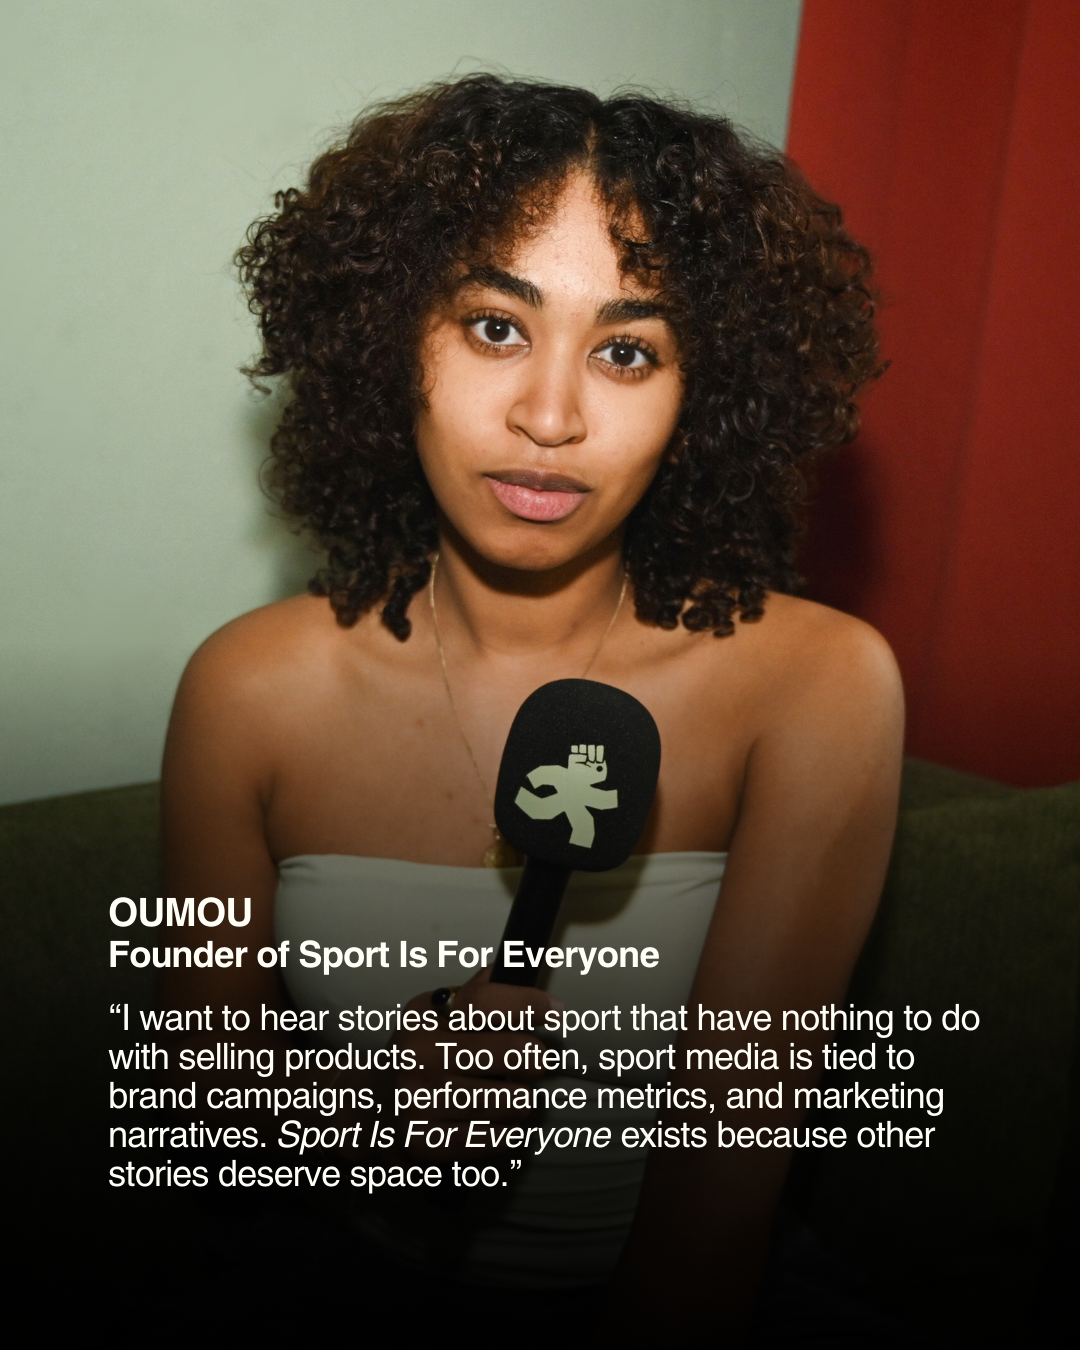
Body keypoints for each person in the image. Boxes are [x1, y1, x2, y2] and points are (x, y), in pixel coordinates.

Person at [159, 75, 902, 1342]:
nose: (549, 419)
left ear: (703, 395)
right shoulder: (247, 691)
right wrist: (368, 1116)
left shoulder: (820, 685)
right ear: (390, 338)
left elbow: (722, 1187)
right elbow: (202, 1113)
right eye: (496, 328)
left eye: (626, 350)